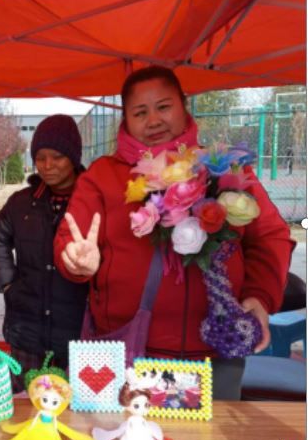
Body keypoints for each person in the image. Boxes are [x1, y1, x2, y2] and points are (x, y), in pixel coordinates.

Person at [53, 65, 294, 400]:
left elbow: (270, 236)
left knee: (215, 434)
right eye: (140, 112)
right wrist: (77, 260)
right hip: (127, 350)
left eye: (163, 107)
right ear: (126, 120)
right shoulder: (102, 176)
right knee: (131, 432)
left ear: (184, 106)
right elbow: (71, 238)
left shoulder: (223, 168)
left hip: (215, 353)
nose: (153, 121)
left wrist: (260, 296)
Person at [0, 114, 88, 392]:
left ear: (74, 157)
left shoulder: (93, 200)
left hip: (78, 331)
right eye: (40, 157)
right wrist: (8, 283)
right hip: (27, 328)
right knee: (25, 406)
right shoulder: (22, 203)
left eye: (57, 157)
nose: (47, 165)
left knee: (74, 407)